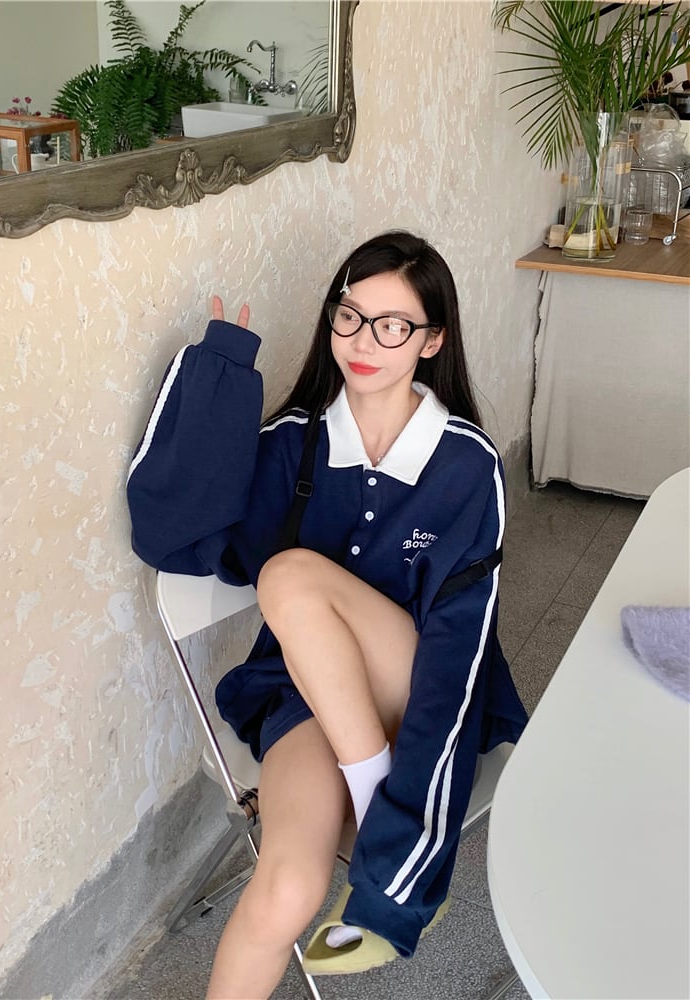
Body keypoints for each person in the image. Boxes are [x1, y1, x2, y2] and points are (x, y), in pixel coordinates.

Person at [127, 231, 528, 999]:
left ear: (433, 340)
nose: (364, 342)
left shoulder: (467, 465)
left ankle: (385, 818)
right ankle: (374, 807)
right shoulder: (293, 445)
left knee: (290, 576)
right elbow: (174, 542)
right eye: (350, 317)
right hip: (305, 697)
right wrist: (220, 379)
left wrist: (416, 825)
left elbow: (459, 649)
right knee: (286, 887)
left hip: (415, 685)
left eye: (393, 325)